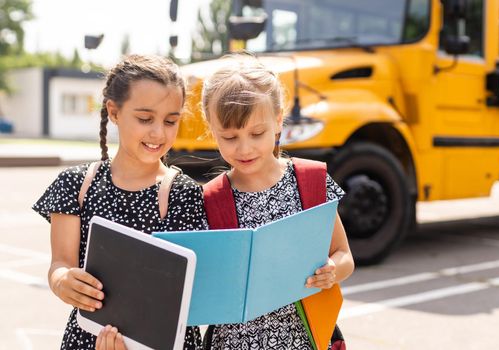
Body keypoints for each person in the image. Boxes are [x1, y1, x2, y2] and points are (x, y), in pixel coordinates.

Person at [33, 54, 207, 350]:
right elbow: (61, 263)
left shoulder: (185, 193)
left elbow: (192, 287)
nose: (158, 133)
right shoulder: (76, 184)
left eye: (170, 121)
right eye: (144, 118)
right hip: (92, 340)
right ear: (114, 112)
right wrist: (63, 281)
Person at [200, 53, 355, 349]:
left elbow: (344, 254)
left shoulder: (310, 181)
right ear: (212, 129)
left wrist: (332, 271)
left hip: (303, 339)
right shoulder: (211, 198)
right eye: (229, 137)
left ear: (278, 120)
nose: (244, 148)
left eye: (256, 133)